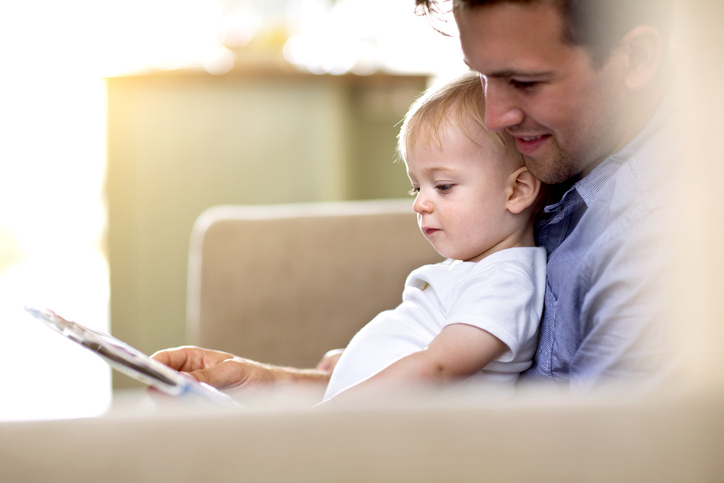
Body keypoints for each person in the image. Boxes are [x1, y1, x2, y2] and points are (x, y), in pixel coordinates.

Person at [153, 0, 680, 393]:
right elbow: (448, 394)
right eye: (483, 76)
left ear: (635, 57)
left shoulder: (658, 241)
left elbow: (595, 454)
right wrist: (267, 383)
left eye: (524, 81)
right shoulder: (541, 172)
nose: (495, 117)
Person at [322, 72, 546, 402]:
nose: (419, 203)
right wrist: (357, 359)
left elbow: (439, 369)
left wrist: (336, 411)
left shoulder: (506, 282)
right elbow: (426, 340)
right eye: (417, 186)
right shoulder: (473, 269)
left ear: (517, 190)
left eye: (442, 186)